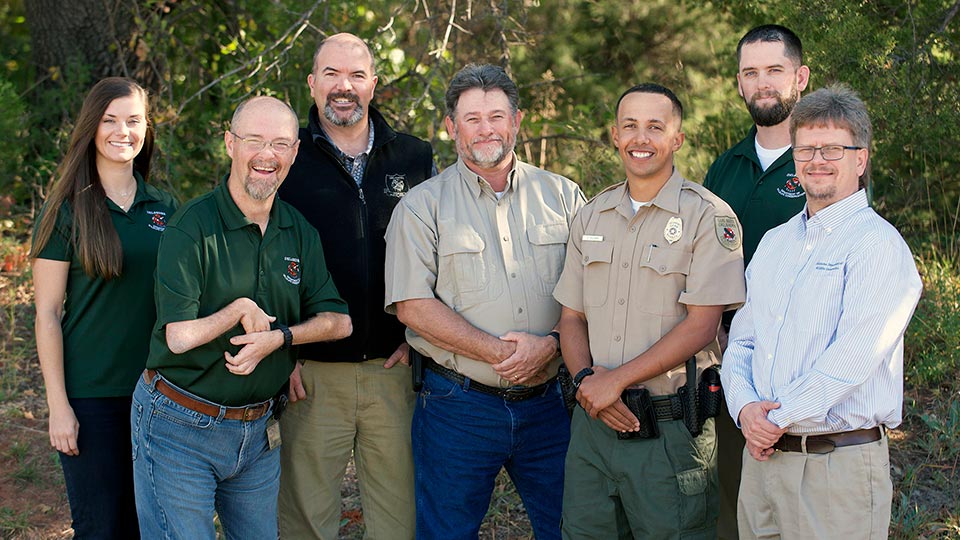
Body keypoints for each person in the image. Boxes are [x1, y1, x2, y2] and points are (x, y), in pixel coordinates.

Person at [131, 96, 352, 539]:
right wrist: (238, 310)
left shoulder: (297, 229)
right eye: (254, 141)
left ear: (293, 153)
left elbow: (338, 321)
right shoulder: (191, 226)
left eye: (280, 144)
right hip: (179, 426)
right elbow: (177, 336)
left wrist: (281, 339)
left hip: (257, 432)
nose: (266, 156)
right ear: (230, 144)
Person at [384, 63, 585, 539]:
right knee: (447, 532)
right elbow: (413, 305)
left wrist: (552, 344)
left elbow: (591, 292)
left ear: (517, 121)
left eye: (496, 115)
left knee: (573, 526)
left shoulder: (564, 195)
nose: (485, 128)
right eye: (471, 118)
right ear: (451, 127)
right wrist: (501, 354)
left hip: (551, 405)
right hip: (459, 406)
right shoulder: (421, 206)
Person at [721, 84, 922, 540]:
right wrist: (746, 409)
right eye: (806, 148)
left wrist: (773, 419)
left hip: (836, 469)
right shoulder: (775, 243)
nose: (816, 160)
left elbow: (852, 359)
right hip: (763, 463)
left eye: (832, 148)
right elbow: (743, 340)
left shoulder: (878, 246)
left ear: (860, 159)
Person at [553, 83, 746, 539]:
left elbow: (702, 326)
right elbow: (571, 318)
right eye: (630, 126)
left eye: (655, 127)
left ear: (677, 138)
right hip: (593, 429)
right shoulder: (591, 216)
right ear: (615, 136)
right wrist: (586, 384)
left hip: (670, 432)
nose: (641, 138)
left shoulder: (709, 217)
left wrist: (614, 382)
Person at [276, 32, 434, 540]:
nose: (343, 87)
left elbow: (443, 254)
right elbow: (256, 258)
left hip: (395, 370)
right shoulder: (284, 158)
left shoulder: (415, 158)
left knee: (398, 521)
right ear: (312, 82)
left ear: (373, 84)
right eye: (331, 74)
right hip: (310, 372)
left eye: (357, 75)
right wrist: (282, 350)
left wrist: (422, 339)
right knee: (306, 523)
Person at [31, 77, 178, 539]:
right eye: (110, 120)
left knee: (148, 526)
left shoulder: (167, 208)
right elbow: (48, 314)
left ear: (147, 128)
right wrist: (59, 406)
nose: (123, 131)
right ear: (91, 128)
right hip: (91, 397)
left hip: (157, 394)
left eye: (134, 120)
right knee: (100, 527)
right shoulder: (66, 210)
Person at [701, 25, 810, 538]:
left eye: (774, 70)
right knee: (734, 500)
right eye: (750, 72)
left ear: (800, 78)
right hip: (728, 359)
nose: (762, 83)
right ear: (740, 84)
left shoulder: (821, 163)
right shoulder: (724, 168)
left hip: (802, 367)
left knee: (797, 505)